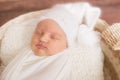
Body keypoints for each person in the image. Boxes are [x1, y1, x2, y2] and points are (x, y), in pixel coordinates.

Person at [0, 2, 104, 80]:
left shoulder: (61, 63)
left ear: (67, 44)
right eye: (39, 32)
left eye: (53, 37)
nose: (42, 38)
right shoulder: (26, 52)